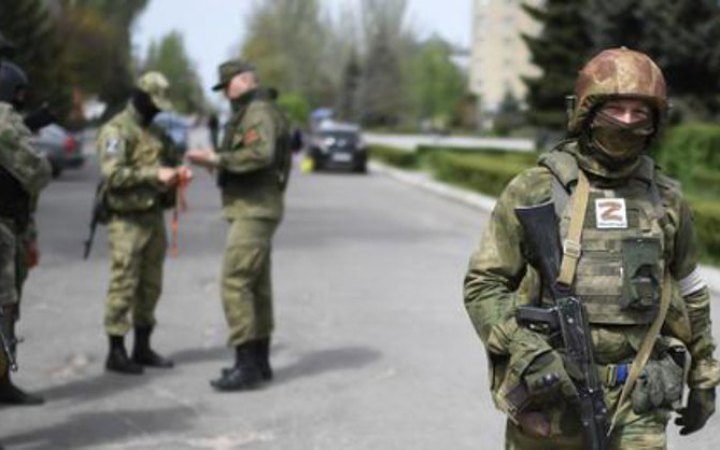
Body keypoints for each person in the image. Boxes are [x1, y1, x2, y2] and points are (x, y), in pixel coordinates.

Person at [463, 47, 720, 449]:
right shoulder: (535, 189)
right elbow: (484, 285)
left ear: (655, 122)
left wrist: (704, 375)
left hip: (639, 399)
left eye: (639, 112)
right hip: (552, 393)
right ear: (586, 112)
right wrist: (527, 352)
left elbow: (689, 290)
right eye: (615, 109)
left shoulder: (666, 199)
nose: (627, 122)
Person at [187, 59, 291, 391]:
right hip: (255, 207)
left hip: (254, 209)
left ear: (244, 80)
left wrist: (216, 158)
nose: (225, 94)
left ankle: (246, 364)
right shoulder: (255, 110)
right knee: (256, 285)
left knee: (235, 282)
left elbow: (260, 154)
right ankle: (259, 362)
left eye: (227, 86)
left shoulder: (257, 111)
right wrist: (219, 162)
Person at [96, 71, 191, 375]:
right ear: (141, 97)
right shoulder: (116, 130)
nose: (157, 111)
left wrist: (178, 172)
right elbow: (113, 175)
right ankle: (116, 351)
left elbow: (172, 160)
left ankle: (142, 346)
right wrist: (154, 174)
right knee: (123, 284)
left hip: (153, 217)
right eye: (154, 104)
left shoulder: (157, 132)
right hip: (126, 220)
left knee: (151, 286)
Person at [0, 60, 52, 404]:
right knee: (3, 311)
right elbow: (38, 172)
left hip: (11, 225)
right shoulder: (6, 119)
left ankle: (2, 382)